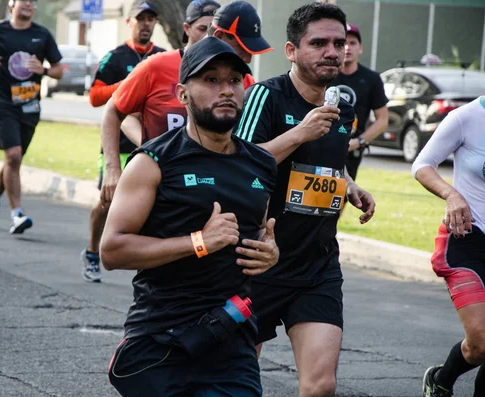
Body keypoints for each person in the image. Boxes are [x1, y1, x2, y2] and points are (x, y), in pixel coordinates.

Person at [101, 36, 278, 397]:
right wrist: (199, 242)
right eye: (210, 80)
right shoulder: (153, 162)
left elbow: (257, 234)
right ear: (182, 94)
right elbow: (112, 250)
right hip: (162, 337)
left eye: (233, 81)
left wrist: (268, 252)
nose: (226, 90)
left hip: (231, 336)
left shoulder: (261, 164)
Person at [234, 3, 375, 396]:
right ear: (291, 51)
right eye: (318, 43)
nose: (333, 51)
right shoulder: (266, 96)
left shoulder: (340, 104)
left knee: (320, 386)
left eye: (339, 42)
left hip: (317, 265)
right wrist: (299, 133)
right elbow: (239, 166)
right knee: (236, 381)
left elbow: (328, 160)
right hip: (257, 261)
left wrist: (349, 186)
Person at [100, 0, 271, 229]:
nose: (247, 58)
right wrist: (115, 168)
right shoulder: (156, 66)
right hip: (160, 191)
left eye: (234, 80)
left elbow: (247, 148)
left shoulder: (244, 82)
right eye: (242, 47)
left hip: (213, 195)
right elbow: (114, 110)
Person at [415, 42, 485, 397]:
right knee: (484, 344)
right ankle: (442, 379)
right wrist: (452, 194)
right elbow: (422, 165)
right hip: (468, 239)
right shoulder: (467, 117)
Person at [81, 0, 165, 283]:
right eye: (140, 19)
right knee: (106, 203)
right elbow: (94, 97)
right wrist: (132, 83)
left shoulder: (163, 58)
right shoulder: (115, 57)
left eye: (151, 19)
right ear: (129, 22)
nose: (146, 24)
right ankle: (93, 252)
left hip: (153, 146)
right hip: (120, 145)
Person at [0, 0, 63, 234]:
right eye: (24, 0)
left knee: (14, 160)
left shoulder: (42, 35)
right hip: (2, 102)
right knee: (13, 155)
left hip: (30, 106)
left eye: (33, 1)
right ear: (12, 4)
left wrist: (45, 70)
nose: (29, 4)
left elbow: (59, 69)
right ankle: (17, 214)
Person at [329, 23, 388, 181]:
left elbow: (383, 120)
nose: (347, 48)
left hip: (350, 152)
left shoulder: (371, 79)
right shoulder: (325, 73)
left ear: (360, 48)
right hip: (322, 145)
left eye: (352, 43)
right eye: (342, 43)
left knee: (340, 200)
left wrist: (359, 141)